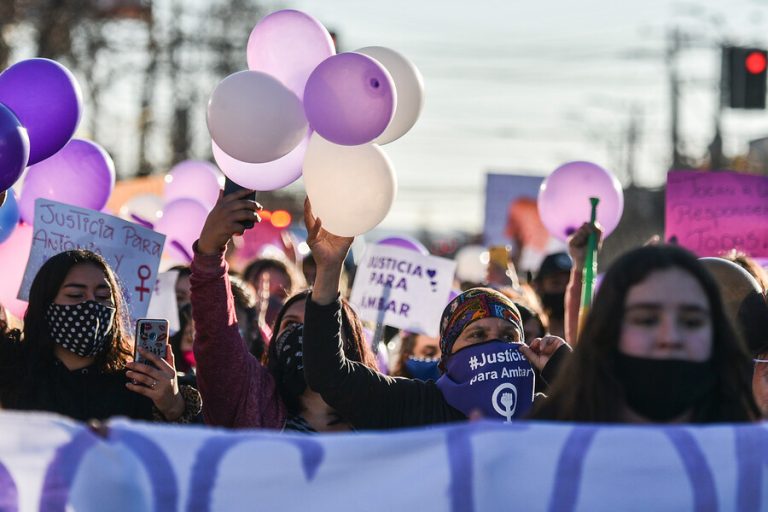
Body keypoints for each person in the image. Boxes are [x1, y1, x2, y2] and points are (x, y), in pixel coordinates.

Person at [302, 198, 570, 429]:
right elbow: (330, 375)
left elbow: (594, 407)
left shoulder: (548, 412)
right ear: (448, 354)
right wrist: (329, 268)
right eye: (478, 335)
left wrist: (562, 366)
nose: (494, 345)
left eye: (508, 336)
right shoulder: (418, 404)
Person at [190, 189, 377, 432]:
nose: (304, 332)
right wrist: (209, 251)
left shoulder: (381, 417)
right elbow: (217, 335)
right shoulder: (252, 402)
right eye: (291, 324)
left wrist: (330, 267)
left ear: (349, 339)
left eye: (317, 324)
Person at [531, 244, 759, 423]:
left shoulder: (755, 451)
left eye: (691, 322)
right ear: (608, 330)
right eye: (646, 320)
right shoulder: (547, 444)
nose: (670, 338)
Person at [0, 250, 201, 422]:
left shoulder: (137, 386)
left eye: (103, 296)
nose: (92, 305)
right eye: (76, 295)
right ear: (45, 304)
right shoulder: (11, 371)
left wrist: (173, 408)